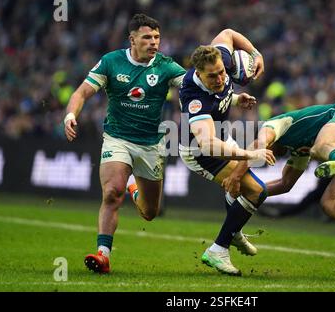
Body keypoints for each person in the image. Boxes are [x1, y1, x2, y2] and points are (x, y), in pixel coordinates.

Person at [64, 14, 186, 273]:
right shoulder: (111, 62)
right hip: (117, 138)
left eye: (157, 37)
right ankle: (103, 255)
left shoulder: (166, 66)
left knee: (149, 212)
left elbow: (195, 87)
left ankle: (135, 190)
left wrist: (232, 100)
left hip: (151, 145)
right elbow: (82, 92)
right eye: (147, 37)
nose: (154, 42)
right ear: (132, 39)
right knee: (111, 193)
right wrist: (71, 114)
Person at [223, 99, 335, 252]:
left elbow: (259, 144)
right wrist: (251, 191)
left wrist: (236, 176)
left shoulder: (276, 123)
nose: (269, 156)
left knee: (318, 147)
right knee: (329, 201)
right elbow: (285, 184)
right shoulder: (298, 152)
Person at [179, 29, 275, 276]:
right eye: (212, 77)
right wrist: (248, 155)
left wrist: (255, 53)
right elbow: (207, 144)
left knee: (239, 187)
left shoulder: (221, 57)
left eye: (222, 72)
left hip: (222, 138)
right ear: (198, 74)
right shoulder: (194, 97)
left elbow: (228, 33)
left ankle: (233, 232)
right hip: (199, 151)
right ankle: (219, 248)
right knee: (256, 190)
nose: (220, 78)